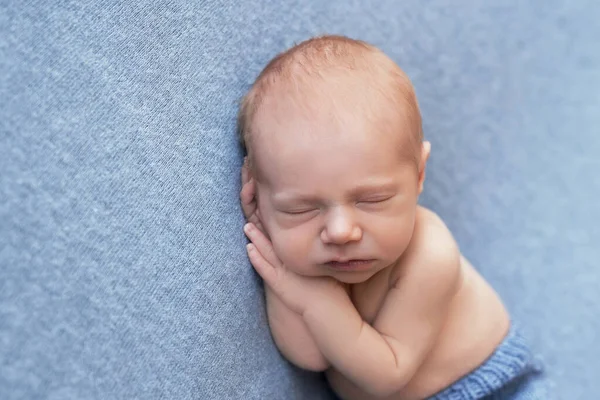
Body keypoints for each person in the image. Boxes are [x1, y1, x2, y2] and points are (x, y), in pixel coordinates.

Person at [238, 35, 545, 399]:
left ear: (418, 175)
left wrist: (314, 300)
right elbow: (310, 356)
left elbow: (388, 372)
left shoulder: (429, 254)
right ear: (260, 196)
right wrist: (278, 259)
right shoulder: (319, 260)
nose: (340, 232)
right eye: (300, 208)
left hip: (490, 388)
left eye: (372, 200)